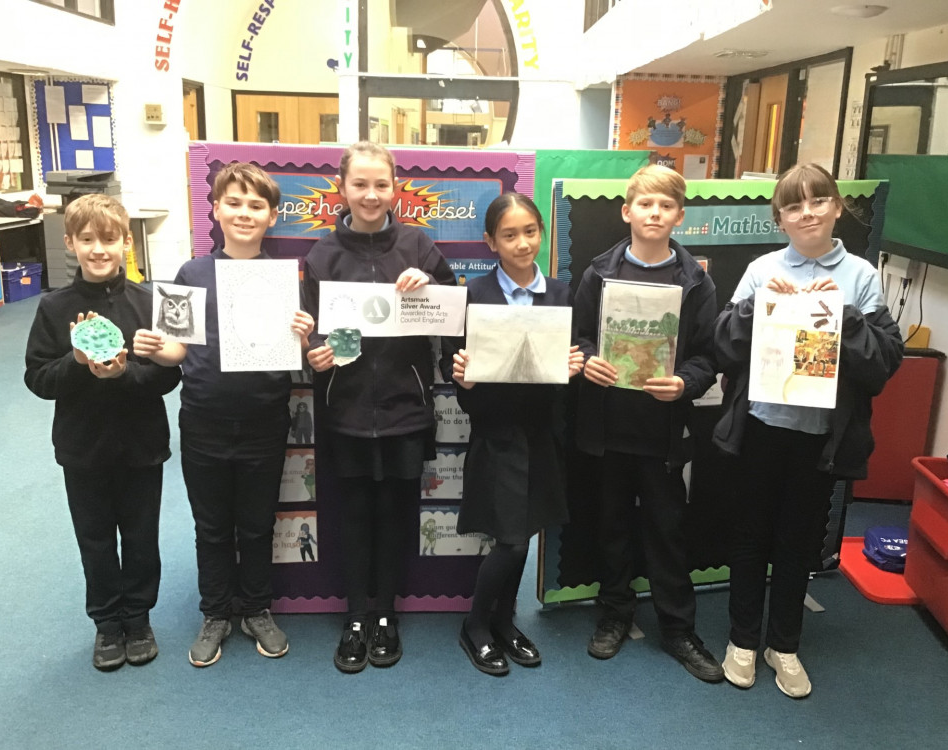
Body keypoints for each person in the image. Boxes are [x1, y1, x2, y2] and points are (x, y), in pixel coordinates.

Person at [713, 163, 903, 698]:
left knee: (798, 544)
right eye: (794, 206)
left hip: (822, 437)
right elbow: (724, 348)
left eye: (818, 201)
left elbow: (884, 365)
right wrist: (753, 309)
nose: (807, 212)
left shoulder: (861, 276)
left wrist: (846, 318)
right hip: (760, 428)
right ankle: (743, 640)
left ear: (838, 207)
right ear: (780, 218)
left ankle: (785, 645)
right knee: (749, 538)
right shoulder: (761, 268)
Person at [133, 162, 314, 668]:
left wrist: (304, 335)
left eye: (256, 205)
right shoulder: (191, 274)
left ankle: (256, 608)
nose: (244, 213)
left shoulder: (286, 279)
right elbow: (175, 350)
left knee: (257, 525)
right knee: (211, 526)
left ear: (272, 216)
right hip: (204, 419)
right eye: (233, 202)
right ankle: (215, 612)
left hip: (264, 421)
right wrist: (154, 347)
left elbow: (300, 357)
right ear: (215, 209)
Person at [303, 141, 455, 673]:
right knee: (351, 516)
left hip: (405, 410)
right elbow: (308, 333)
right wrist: (313, 356)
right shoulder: (322, 255)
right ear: (341, 188)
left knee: (395, 516)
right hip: (343, 411)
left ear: (395, 188)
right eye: (360, 184)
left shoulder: (419, 245)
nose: (371, 195)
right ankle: (355, 615)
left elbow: (452, 317)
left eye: (381, 184)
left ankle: (386, 614)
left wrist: (430, 284)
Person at [573, 164, 724, 683]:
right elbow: (577, 339)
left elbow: (709, 356)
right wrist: (588, 359)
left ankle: (678, 629)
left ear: (679, 216)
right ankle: (615, 613)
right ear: (627, 211)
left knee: (667, 532)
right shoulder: (599, 273)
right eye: (645, 204)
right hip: (608, 428)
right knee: (610, 528)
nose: (654, 213)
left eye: (665, 206)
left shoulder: (696, 282)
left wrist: (685, 382)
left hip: (665, 433)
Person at [24, 193, 181, 671]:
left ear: (125, 243)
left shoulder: (148, 301)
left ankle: (138, 619)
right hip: (83, 448)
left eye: (109, 239)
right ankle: (107, 624)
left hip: (141, 444)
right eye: (87, 239)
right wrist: (77, 363)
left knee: (140, 536)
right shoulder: (54, 307)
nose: (98, 249)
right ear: (70, 242)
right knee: (94, 538)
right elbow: (37, 378)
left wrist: (123, 374)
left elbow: (168, 376)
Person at [444, 193, 583, 676]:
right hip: (497, 434)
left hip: (542, 434)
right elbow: (456, 368)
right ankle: (477, 626)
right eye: (509, 235)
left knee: (527, 530)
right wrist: (462, 375)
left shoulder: (561, 293)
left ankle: (505, 621)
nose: (522, 243)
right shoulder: (475, 295)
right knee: (512, 541)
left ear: (542, 233)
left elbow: (575, 351)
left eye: (530, 232)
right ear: (490, 242)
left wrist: (576, 362)